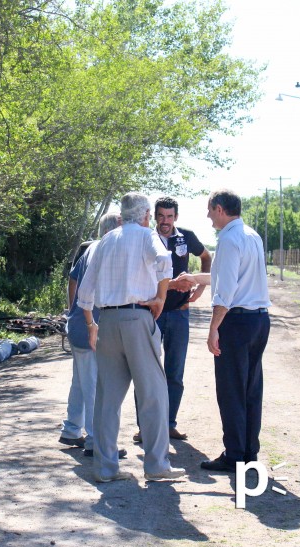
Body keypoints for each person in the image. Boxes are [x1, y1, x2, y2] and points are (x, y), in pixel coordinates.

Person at [76, 193, 186, 483]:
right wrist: (161, 297)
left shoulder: (106, 240)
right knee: (153, 394)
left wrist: (91, 325)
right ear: (147, 214)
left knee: (107, 400)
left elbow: (84, 292)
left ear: (122, 214)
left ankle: (105, 468)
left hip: (107, 321)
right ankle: (156, 464)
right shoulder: (148, 236)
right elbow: (164, 261)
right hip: (138, 318)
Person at [174, 190, 271, 472]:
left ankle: (234, 455)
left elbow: (226, 291)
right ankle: (249, 451)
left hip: (237, 323)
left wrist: (213, 328)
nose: (207, 216)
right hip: (258, 320)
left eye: (209, 210)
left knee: (231, 389)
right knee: (251, 389)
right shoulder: (251, 235)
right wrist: (194, 278)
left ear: (219, 209)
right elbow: (227, 277)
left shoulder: (228, 240)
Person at [134, 197, 212, 443]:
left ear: (176, 217)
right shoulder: (146, 238)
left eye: (169, 216)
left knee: (175, 372)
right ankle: (145, 427)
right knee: (146, 372)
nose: (165, 221)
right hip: (150, 314)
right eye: (161, 216)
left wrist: (200, 287)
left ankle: (169, 424)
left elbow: (206, 256)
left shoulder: (186, 237)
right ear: (154, 216)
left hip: (179, 313)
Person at [58, 213, 123, 458]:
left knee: (81, 382)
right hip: (91, 327)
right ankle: (96, 440)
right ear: (113, 230)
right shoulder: (105, 250)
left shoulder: (91, 248)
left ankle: (71, 429)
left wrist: (73, 309)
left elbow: (72, 279)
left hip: (79, 324)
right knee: (95, 385)